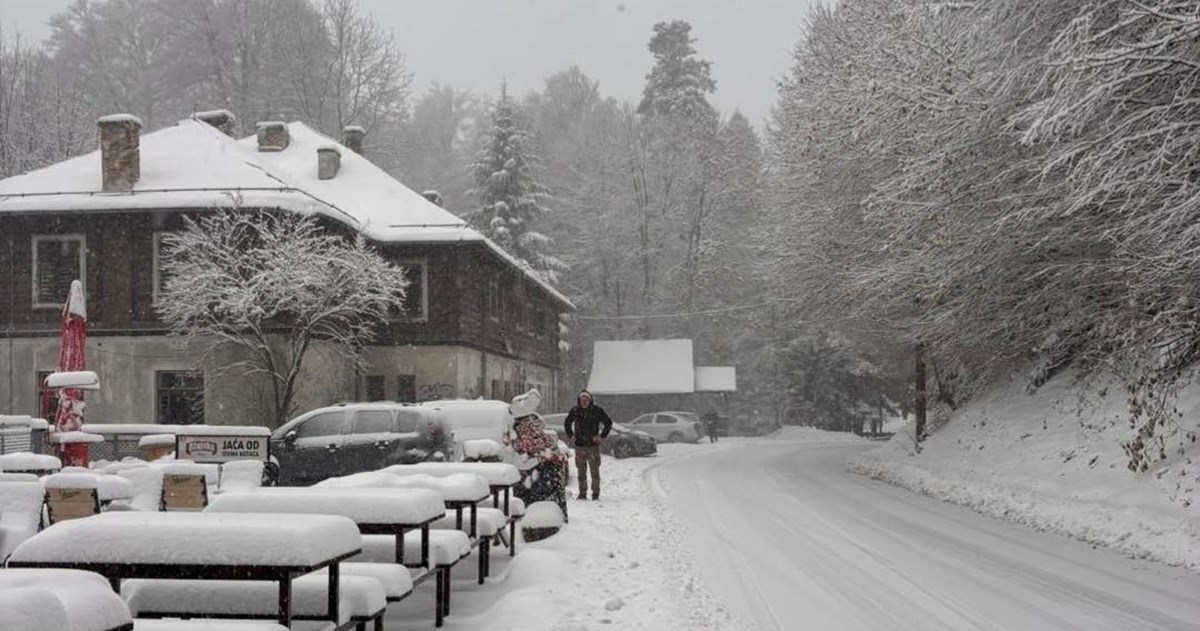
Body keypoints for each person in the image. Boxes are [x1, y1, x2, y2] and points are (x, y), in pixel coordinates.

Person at [511, 389, 569, 520]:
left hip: (541, 468)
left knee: (538, 496)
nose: (534, 426)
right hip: (538, 469)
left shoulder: (529, 428)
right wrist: (547, 453)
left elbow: (542, 444)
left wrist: (551, 452)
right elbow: (532, 446)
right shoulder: (525, 429)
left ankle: (545, 516)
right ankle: (543, 517)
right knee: (540, 496)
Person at [563, 390, 612, 500]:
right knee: (581, 471)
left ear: (590, 400)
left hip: (593, 446)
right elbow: (567, 423)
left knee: (595, 470)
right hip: (580, 446)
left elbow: (608, 423)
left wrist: (601, 436)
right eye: (582, 399)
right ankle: (582, 493)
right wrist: (571, 435)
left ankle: (595, 493)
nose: (584, 401)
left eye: (586, 399)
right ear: (579, 400)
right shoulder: (575, 411)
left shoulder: (597, 410)